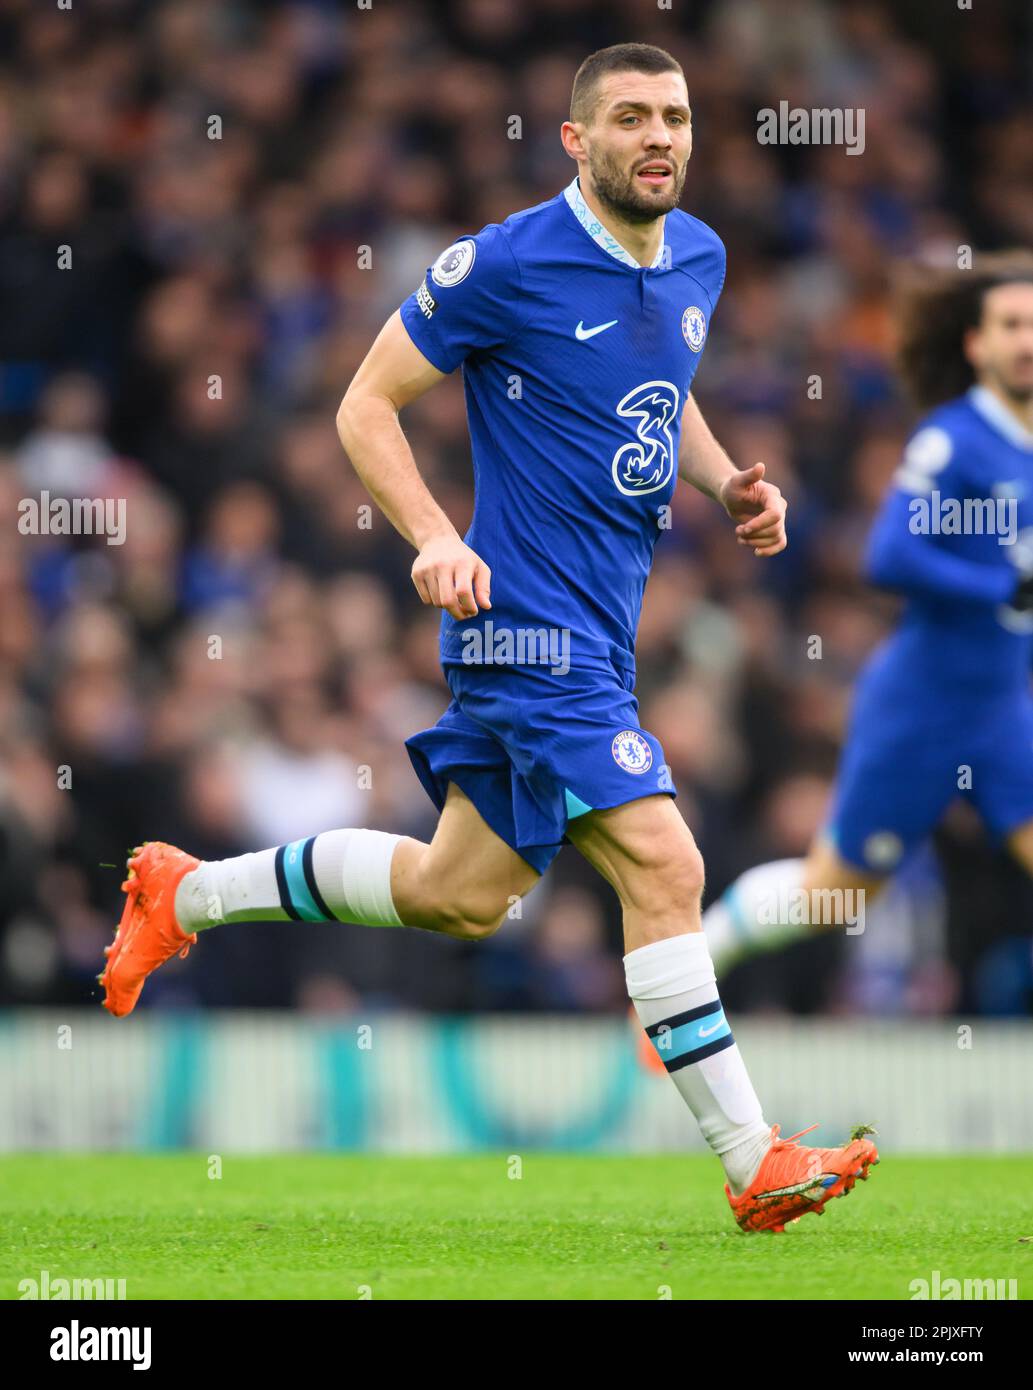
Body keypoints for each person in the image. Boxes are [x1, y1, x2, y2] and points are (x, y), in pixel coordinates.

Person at [100, 42, 876, 1233]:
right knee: (667, 865)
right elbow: (366, 403)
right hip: (520, 626)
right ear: (578, 139)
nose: (659, 136)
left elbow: (669, 389)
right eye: (629, 118)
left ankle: (186, 893)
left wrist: (725, 484)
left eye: (672, 116)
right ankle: (750, 1157)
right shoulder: (506, 262)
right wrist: (430, 534)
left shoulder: (699, 258)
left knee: (454, 892)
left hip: (599, 635)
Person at [703, 255, 1033, 984]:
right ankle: (702, 951)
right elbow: (887, 555)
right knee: (832, 896)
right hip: (921, 709)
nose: (1025, 342)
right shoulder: (953, 441)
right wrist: (999, 584)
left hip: (1004, 710)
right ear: (974, 345)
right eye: (1010, 326)